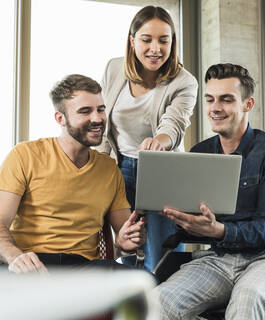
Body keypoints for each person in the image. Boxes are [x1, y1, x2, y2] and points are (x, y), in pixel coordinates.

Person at [156, 64, 265, 319]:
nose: (215, 107)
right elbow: (193, 224)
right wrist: (180, 219)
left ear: (248, 104)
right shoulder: (200, 154)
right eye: (210, 99)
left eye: (226, 99)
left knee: (247, 298)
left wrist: (220, 230)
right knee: (156, 303)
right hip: (219, 259)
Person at [0, 74, 146, 274]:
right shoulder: (24, 155)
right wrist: (15, 257)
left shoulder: (109, 168)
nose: (97, 118)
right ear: (60, 118)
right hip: (31, 264)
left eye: (100, 110)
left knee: (147, 285)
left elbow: (123, 237)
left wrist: (124, 241)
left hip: (85, 268)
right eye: (85, 111)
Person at [97, 5, 198, 271]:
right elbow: (106, 124)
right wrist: (96, 165)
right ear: (132, 41)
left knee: (159, 257)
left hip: (162, 172)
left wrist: (159, 142)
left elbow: (174, 124)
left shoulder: (184, 82)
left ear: (172, 42)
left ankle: (161, 308)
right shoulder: (114, 68)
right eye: (146, 40)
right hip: (120, 169)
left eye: (164, 40)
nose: (155, 49)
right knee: (127, 247)